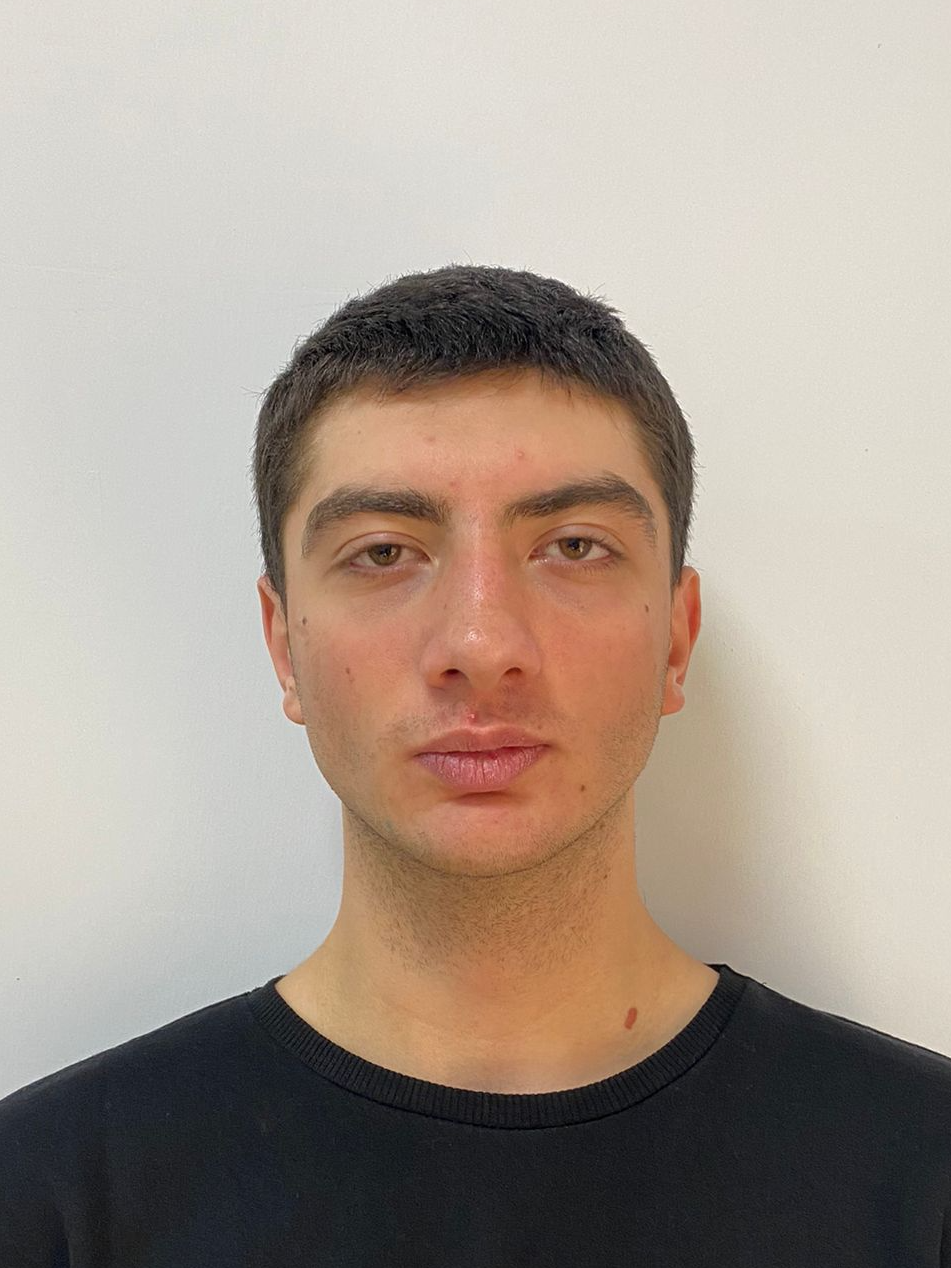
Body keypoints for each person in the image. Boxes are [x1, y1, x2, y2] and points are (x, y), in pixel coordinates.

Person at [2, 264, 949, 1266]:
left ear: (675, 638)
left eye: (573, 545)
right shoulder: (48, 1202)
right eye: (383, 552)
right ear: (284, 646)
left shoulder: (921, 1179)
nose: (482, 642)